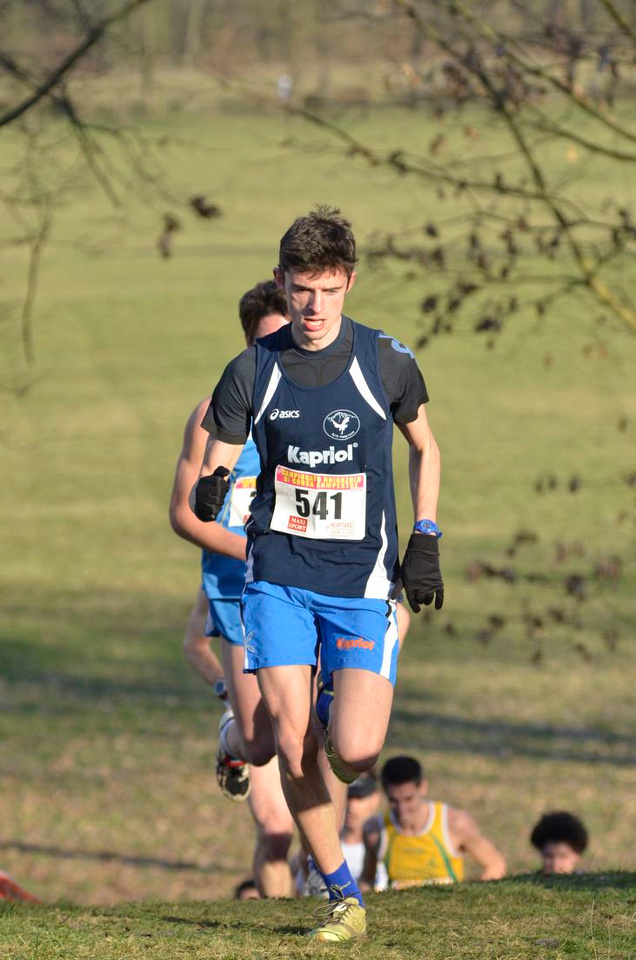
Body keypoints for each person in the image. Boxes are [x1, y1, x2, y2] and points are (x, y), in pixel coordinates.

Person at [192, 205, 445, 942]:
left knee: (356, 751)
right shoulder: (252, 369)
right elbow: (218, 459)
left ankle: (339, 691)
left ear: (349, 284)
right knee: (293, 738)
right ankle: (341, 895)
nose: (312, 307)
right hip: (277, 575)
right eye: (301, 289)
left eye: (327, 290)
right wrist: (213, 487)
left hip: (362, 582)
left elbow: (426, 448)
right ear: (283, 282)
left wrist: (424, 537)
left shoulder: (386, 361)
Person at [169, 280, 295, 899]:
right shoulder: (212, 414)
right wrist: (256, 550)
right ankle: (232, 737)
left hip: (303, 584)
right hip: (237, 588)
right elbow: (185, 516)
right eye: (268, 344)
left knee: (314, 726)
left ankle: (331, 887)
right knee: (262, 744)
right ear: (247, 345)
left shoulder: (315, 403)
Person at [362, 756, 506, 888]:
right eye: (394, 801)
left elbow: (495, 864)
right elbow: (367, 880)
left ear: (423, 787)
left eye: (408, 799)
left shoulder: (455, 823)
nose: (402, 809)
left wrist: (475, 903)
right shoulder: (375, 831)